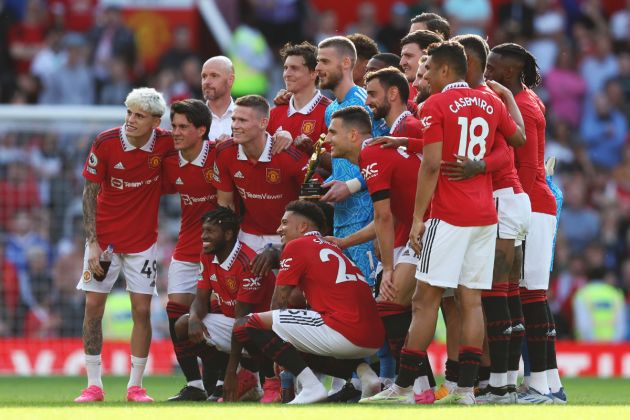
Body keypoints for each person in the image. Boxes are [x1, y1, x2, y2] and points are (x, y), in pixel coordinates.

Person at [363, 41, 522, 405]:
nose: (424, 75)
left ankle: (403, 388)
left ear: (446, 71)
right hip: (484, 215)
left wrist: (418, 219)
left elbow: (433, 164)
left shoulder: (436, 104)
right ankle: (466, 390)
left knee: (424, 301)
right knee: (471, 302)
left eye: (429, 69)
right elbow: (513, 140)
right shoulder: (490, 102)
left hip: (448, 216)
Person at [328, 106, 438, 403]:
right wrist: (343, 241)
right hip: (425, 225)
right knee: (398, 307)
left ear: (354, 135)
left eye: (332, 132)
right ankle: (423, 389)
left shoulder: (372, 154)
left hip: (434, 224)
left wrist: (388, 268)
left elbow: (384, 216)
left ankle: (422, 388)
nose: (327, 139)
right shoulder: (375, 153)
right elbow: (383, 219)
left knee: (392, 301)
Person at [441, 34, 529, 404]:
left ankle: (501, 383)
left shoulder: (488, 101)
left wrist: (479, 165)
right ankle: (502, 383)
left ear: (468, 65)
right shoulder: (480, 103)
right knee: (494, 294)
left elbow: (511, 152)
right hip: (499, 200)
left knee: (491, 295)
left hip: (502, 199)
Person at [75, 87, 174, 403]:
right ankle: (93, 385)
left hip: (143, 242)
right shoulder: (105, 142)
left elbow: (198, 144)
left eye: (139, 115)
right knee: (93, 307)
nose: (130, 120)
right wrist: (91, 242)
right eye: (129, 112)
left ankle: (136, 386)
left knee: (142, 310)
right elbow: (89, 193)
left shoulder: (166, 144)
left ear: (155, 122)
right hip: (104, 242)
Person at [242, 200, 384, 404]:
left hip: (345, 332)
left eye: (284, 223)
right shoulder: (333, 247)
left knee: (250, 323)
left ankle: (311, 387)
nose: (278, 229)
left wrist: (276, 348)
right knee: (300, 339)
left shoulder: (297, 245)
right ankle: (366, 375)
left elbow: (279, 299)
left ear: (302, 227)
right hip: (372, 337)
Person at [486, 43, 564, 404]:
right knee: (529, 294)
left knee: (531, 295)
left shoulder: (527, 109)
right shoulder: (523, 101)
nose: (486, 71)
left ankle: (544, 387)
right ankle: (548, 384)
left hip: (532, 207)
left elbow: (531, 169)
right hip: (531, 206)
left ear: (507, 72)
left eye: (491, 66)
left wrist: (519, 210)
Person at [174, 207, 276, 402]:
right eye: (203, 230)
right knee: (183, 325)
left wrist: (230, 375)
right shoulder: (208, 254)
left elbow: (241, 322)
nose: (203, 236)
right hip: (237, 325)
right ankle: (246, 378)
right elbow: (201, 299)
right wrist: (194, 317)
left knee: (248, 331)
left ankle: (265, 380)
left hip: (262, 331)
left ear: (228, 234)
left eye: (210, 231)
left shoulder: (247, 262)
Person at [160, 99, 218, 401]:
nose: (176, 132)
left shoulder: (220, 155)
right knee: (175, 313)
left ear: (202, 130)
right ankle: (194, 384)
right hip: (186, 247)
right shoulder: (170, 161)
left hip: (218, 251)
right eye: (174, 126)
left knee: (214, 315)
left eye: (183, 127)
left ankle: (218, 380)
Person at [316, 36, 377, 284]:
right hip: (341, 220)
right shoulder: (331, 109)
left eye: (323, 61)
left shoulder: (365, 104)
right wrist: (327, 185)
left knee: (371, 299)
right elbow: (343, 165)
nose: (317, 67)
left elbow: (381, 161)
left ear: (345, 63)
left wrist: (350, 186)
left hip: (366, 221)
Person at [212, 94, 307, 253]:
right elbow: (225, 204)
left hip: (288, 236)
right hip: (248, 235)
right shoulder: (224, 152)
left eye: (242, 120)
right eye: (234, 119)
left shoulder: (289, 155)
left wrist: (297, 237)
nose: (235, 125)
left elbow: (311, 199)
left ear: (263, 123)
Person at [267, 41, 331, 145]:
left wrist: (310, 150)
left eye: (294, 68)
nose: (287, 74)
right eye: (285, 68)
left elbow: (334, 159)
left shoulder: (330, 113)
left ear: (314, 73)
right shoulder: (274, 114)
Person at [400, 30, 443, 102]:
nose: (401, 62)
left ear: (428, 56)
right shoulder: (402, 92)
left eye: (408, 56)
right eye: (402, 56)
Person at [201, 56, 235, 142]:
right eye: (204, 76)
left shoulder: (248, 118)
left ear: (230, 80)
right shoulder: (192, 119)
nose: (206, 82)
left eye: (214, 75)